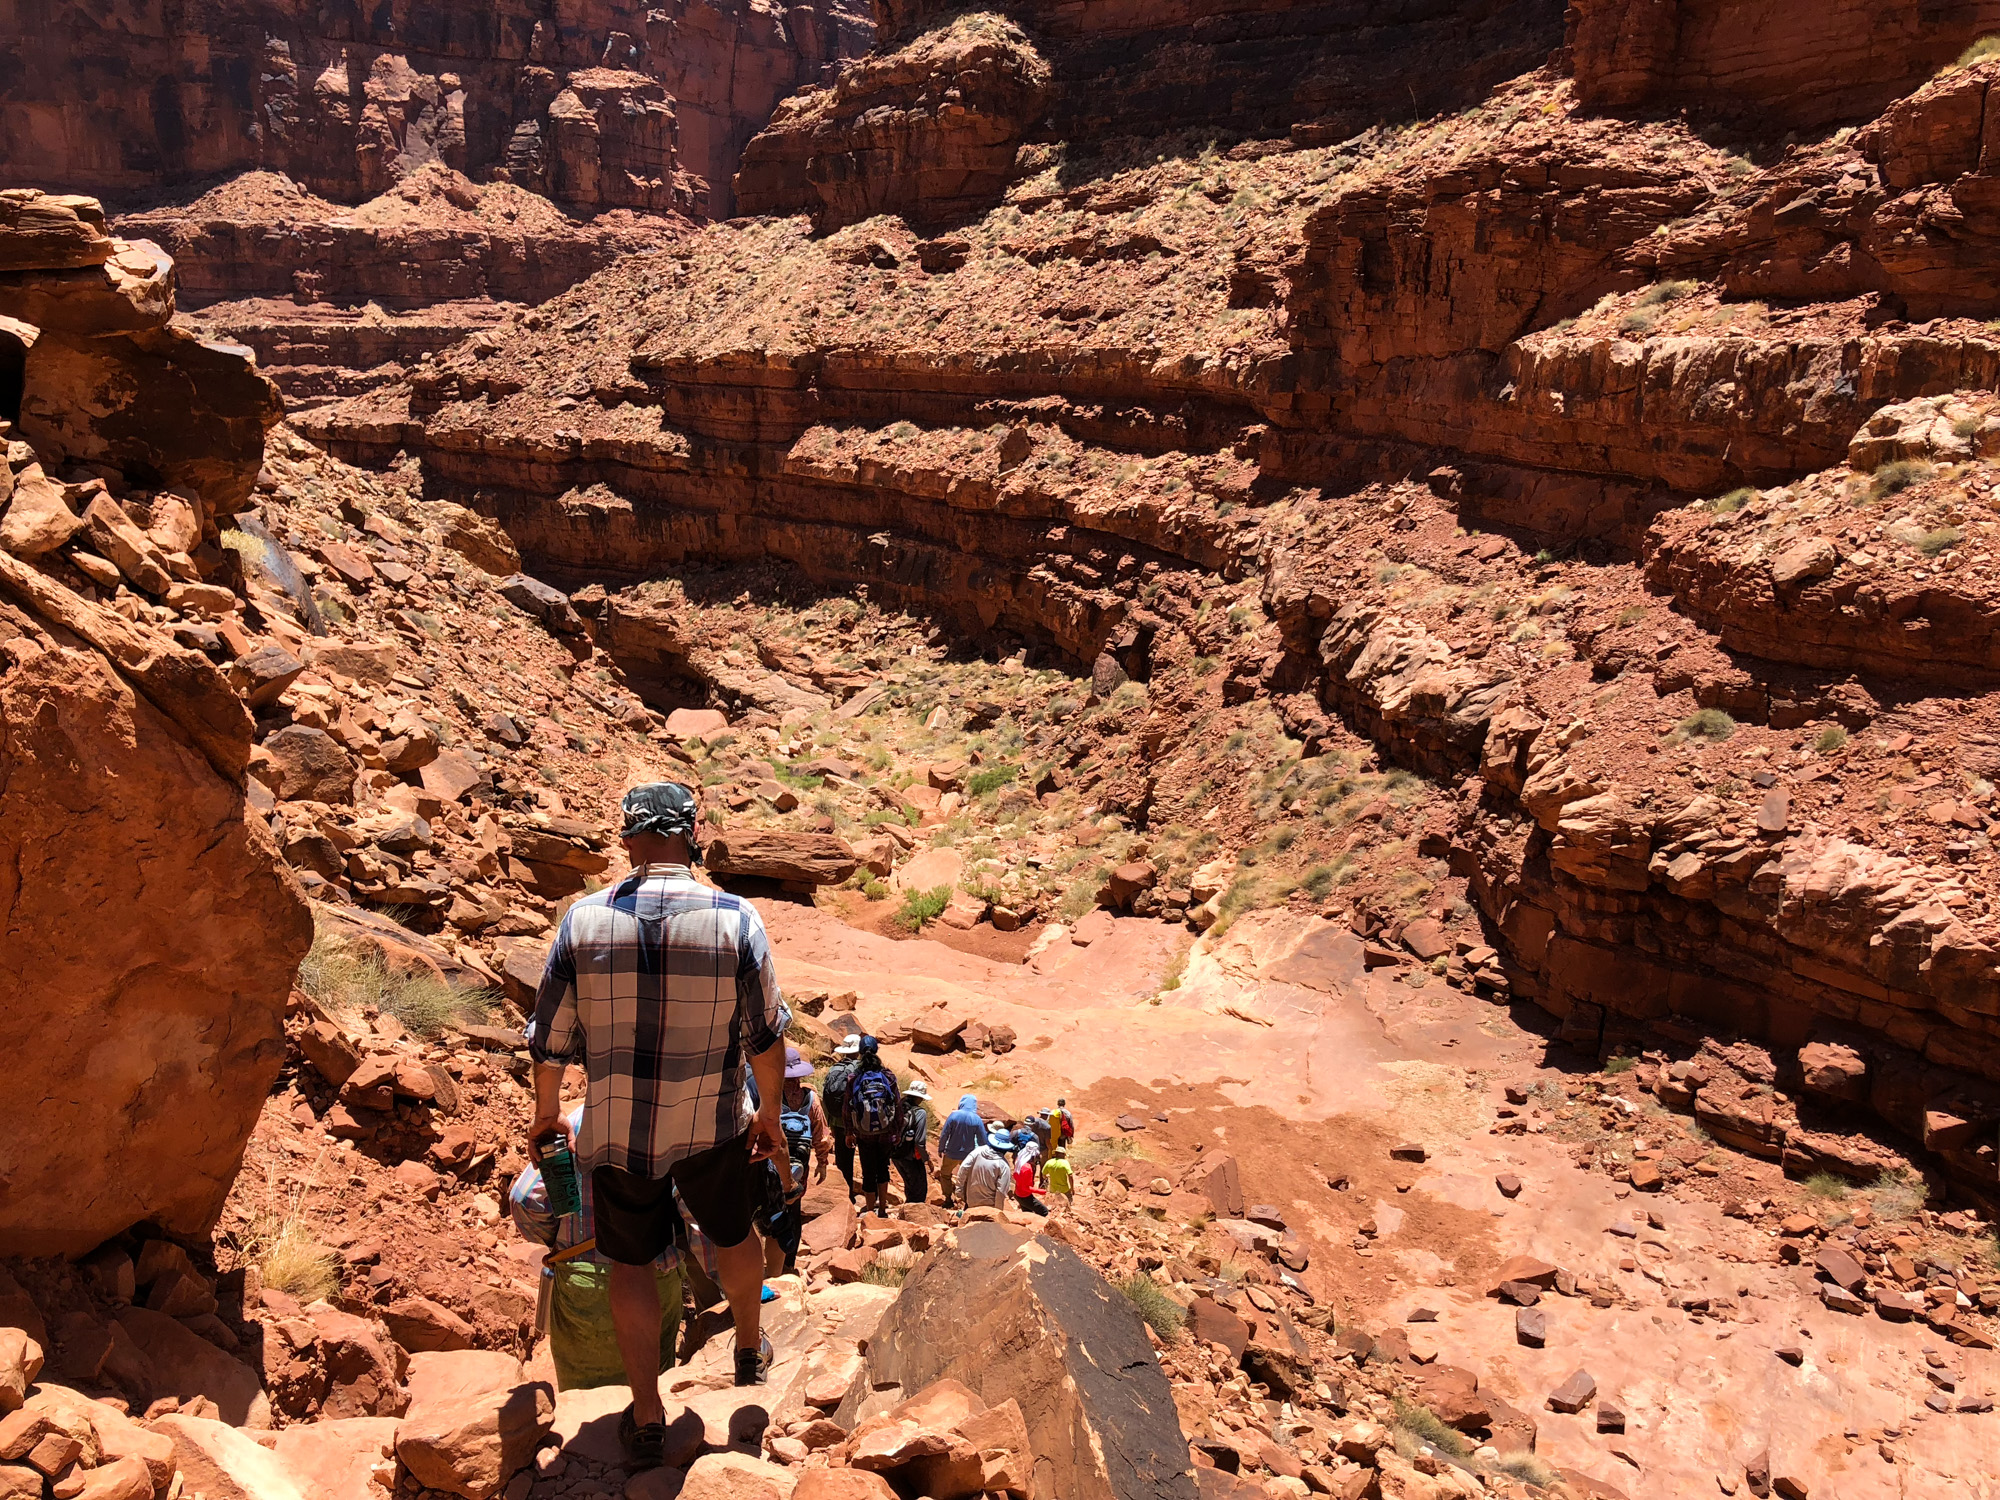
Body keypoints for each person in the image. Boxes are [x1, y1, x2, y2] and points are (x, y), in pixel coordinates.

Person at [527, 782, 791, 1471]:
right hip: (711, 1123)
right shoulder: (737, 919)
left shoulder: (583, 920)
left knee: (632, 1261)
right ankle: (746, 1347)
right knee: (734, 1234)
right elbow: (765, 1037)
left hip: (618, 1129)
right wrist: (768, 1114)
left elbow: (549, 1039)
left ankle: (646, 1411)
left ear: (629, 837)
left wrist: (547, 1114)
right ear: (690, 834)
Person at [510, 1106, 684, 1391]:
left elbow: (525, 1199)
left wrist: (560, 1238)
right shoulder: (672, 1120)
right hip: (653, 1275)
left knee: (582, 1397)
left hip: (582, 1279)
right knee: (652, 1388)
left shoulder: (573, 1125)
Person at [764, 1047, 831, 1276]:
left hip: (771, 1165)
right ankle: (787, 1264)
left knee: (771, 1209)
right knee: (792, 1212)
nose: (793, 1083)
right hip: (798, 1169)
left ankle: (775, 1264)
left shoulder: (770, 1097)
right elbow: (821, 1134)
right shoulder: (811, 1099)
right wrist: (822, 1162)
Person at [843, 1036, 903, 1218]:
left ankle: (870, 1212)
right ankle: (883, 1210)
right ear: (876, 1051)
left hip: (864, 1132)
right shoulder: (888, 1076)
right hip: (885, 1131)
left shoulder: (854, 1078)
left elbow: (847, 1107)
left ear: (860, 1053)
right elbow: (898, 1105)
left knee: (868, 1170)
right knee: (883, 1168)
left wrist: (848, 1132)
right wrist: (897, 1130)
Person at [821, 1036, 862, 1193]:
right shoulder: (861, 1070)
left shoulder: (834, 1069)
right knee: (866, 1158)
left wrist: (829, 1122)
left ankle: (845, 1193)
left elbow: (826, 1095)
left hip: (837, 1121)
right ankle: (873, 1195)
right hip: (858, 1122)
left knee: (843, 1160)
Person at [936, 1093, 985, 1208]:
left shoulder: (953, 1116)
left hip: (951, 1153)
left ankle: (948, 1198)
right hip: (968, 1155)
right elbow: (982, 1138)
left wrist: (941, 1148)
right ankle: (967, 1201)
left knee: (946, 1175)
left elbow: (944, 1134)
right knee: (968, 1178)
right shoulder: (976, 1119)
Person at [892, 1079, 932, 1208]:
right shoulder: (920, 1113)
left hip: (895, 1153)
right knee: (919, 1190)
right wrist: (926, 1159)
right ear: (920, 1098)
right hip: (911, 1157)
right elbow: (919, 1141)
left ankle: (906, 1216)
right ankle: (915, 1218)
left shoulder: (898, 1107)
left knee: (909, 1185)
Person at [954, 1127, 1014, 1211]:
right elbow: (1001, 1191)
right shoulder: (1003, 1165)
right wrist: (998, 1210)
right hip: (989, 1207)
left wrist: (959, 1190)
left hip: (971, 1201)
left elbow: (963, 1168)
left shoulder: (977, 1152)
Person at [1011, 1127, 1047, 1216]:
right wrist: (1040, 1191)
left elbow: (1015, 1176)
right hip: (1024, 1196)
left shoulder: (1018, 1160)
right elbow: (1025, 1188)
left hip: (1017, 1193)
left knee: (1027, 1213)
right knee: (1044, 1211)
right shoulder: (1027, 1169)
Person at [1042, 1144, 1074, 1209]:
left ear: (1056, 1153)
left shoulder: (1049, 1162)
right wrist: (1072, 1188)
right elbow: (1070, 1175)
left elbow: (1043, 1174)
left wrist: (1047, 1177)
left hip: (1053, 1189)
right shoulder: (1065, 1163)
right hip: (1064, 1189)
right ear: (1063, 1155)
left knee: (1054, 1205)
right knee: (1069, 1203)